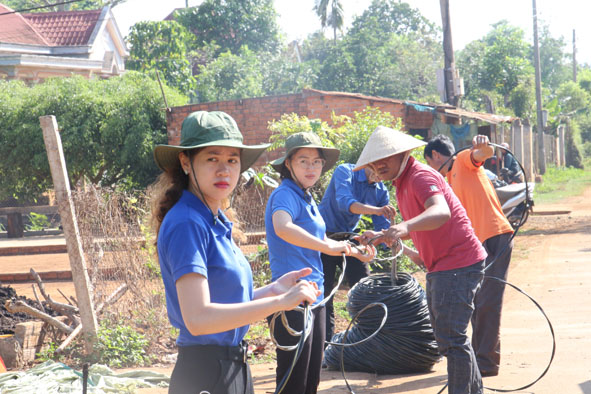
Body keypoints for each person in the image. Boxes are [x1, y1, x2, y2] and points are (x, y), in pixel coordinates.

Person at [150, 111, 321, 394]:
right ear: (186, 162)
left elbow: (225, 302)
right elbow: (199, 318)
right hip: (205, 373)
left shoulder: (212, 219)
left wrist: (275, 290)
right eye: (212, 158)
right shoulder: (188, 222)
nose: (224, 170)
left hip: (231, 366)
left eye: (232, 160)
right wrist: (280, 303)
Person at [355, 126, 487, 394]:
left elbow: (440, 212)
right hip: (444, 265)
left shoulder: (419, 177)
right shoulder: (402, 182)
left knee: (452, 338)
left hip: (458, 264)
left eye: (385, 160)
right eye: (374, 164)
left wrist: (403, 227)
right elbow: (422, 223)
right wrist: (382, 235)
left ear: (403, 154)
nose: (378, 167)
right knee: (451, 338)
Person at [265, 132, 375, 394]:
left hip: (315, 295)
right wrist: (327, 246)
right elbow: (283, 227)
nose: (311, 167)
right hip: (291, 295)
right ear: (288, 164)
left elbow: (321, 238)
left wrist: (353, 251)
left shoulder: (306, 196)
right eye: (303, 161)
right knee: (294, 379)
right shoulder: (285, 194)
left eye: (316, 162)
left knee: (311, 377)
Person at [424, 134, 514, 377]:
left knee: (487, 304)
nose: (433, 171)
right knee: (475, 303)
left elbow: (479, 155)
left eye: (431, 164)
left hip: (494, 236)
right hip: (476, 245)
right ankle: (477, 359)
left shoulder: (462, 160)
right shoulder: (446, 183)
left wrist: (482, 148)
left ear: (436, 155)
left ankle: (485, 365)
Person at [318, 163, 395, 342]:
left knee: (364, 287)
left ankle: (367, 341)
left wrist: (383, 238)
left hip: (351, 237)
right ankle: (324, 346)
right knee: (325, 293)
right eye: (380, 168)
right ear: (370, 162)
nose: (382, 176)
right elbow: (346, 203)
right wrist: (378, 210)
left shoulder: (380, 190)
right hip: (324, 237)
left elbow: (382, 229)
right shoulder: (345, 171)